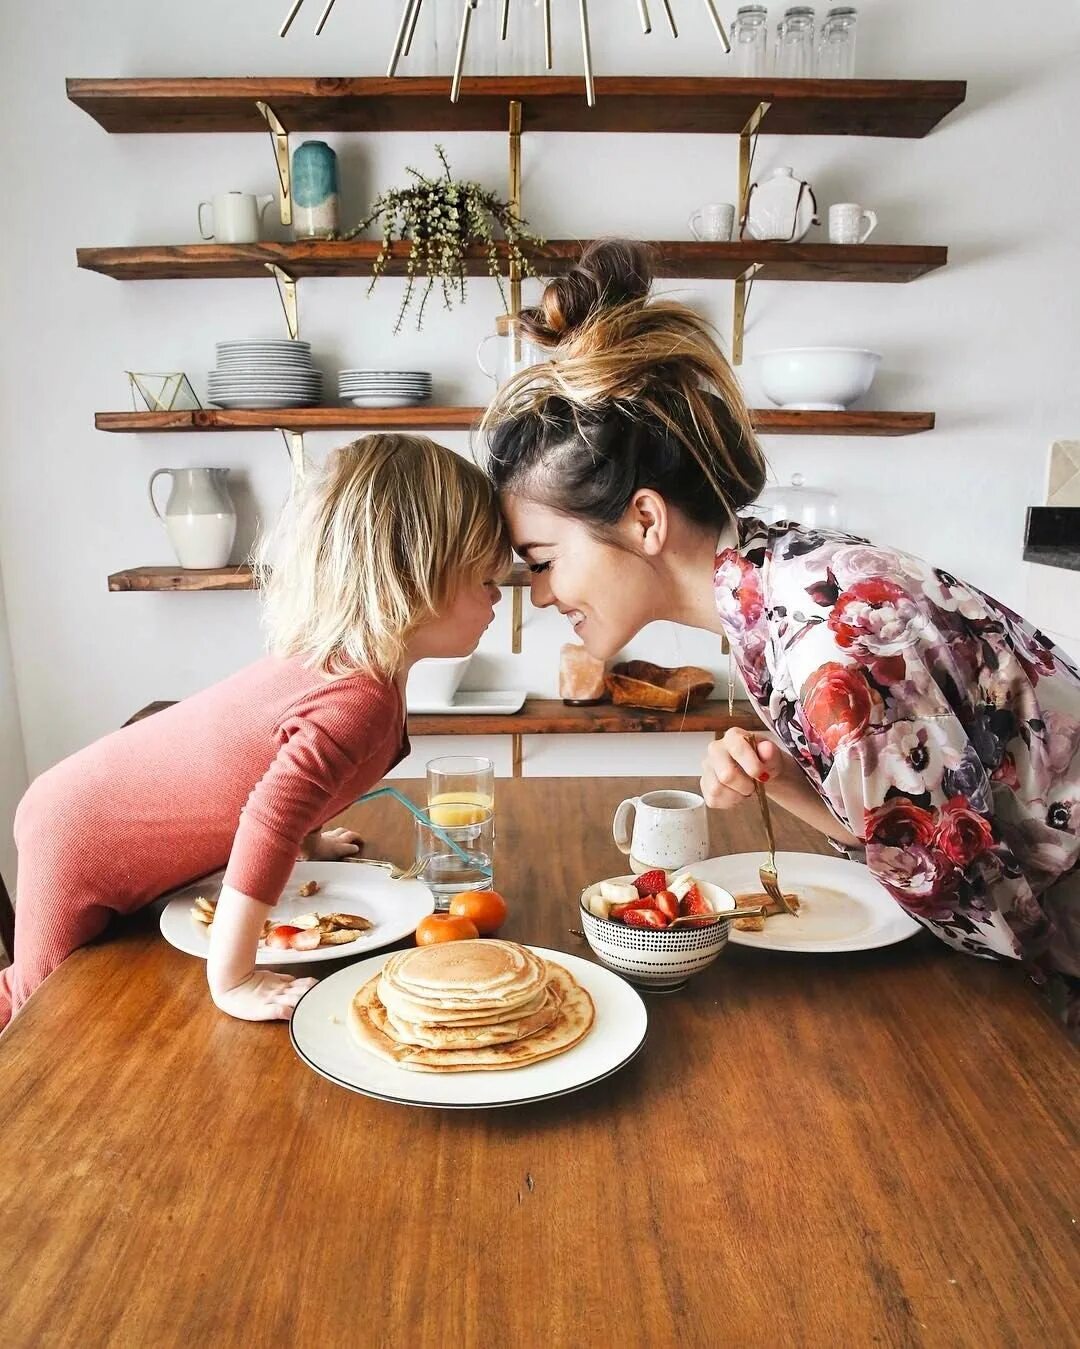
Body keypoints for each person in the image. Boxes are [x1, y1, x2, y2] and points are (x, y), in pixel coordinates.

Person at [482, 239, 1080, 1030]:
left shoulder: (822, 644)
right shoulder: (782, 574)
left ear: (646, 519)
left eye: (545, 561)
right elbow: (918, 848)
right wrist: (790, 782)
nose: (544, 594)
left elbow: (982, 913)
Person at [1, 434, 508, 1028]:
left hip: (96, 823)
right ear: (415, 577)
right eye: (486, 581)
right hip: (79, 835)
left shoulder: (358, 669)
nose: (499, 598)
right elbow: (272, 816)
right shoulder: (358, 698)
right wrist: (234, 977)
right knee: (37, 1009)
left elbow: (287, 777)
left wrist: (312, 844)